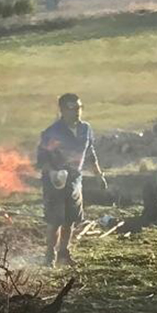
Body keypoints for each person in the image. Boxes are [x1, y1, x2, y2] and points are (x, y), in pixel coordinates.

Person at [36, 93, 107, 267]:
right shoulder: (52, 133)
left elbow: (90, 154)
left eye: (79, 108)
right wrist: (53, 173)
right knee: (55, 220)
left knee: (71, 219)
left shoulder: (86, 129)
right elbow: (42, 160)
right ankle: (49, 256)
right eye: (72, 108)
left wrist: (99, 175)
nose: (77, 112)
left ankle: (63, 253)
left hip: (75, 180)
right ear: (62, 110)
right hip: (55, 182)